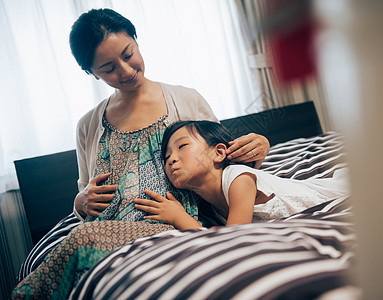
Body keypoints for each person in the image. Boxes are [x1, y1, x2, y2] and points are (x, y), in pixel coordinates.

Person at [12, 8, 270, 299]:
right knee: (80, 238)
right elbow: (84, 194)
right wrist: (81, 201)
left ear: (136, 40)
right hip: (105, 229)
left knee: (79, 239)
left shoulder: (185, 99)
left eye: (128, 53)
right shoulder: (88, 125)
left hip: (172, 225)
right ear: (92, 73)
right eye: (108, 68)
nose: (126, 70)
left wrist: (260, 145)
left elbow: (225, 162)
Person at [134, 120, 350, 227]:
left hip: (338, 193)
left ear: (218, 153)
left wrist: (181, 219)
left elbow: (235, 238)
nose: (171, 159)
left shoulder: (238, 178)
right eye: (166, 157)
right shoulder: (210, 209)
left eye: (182, 146)